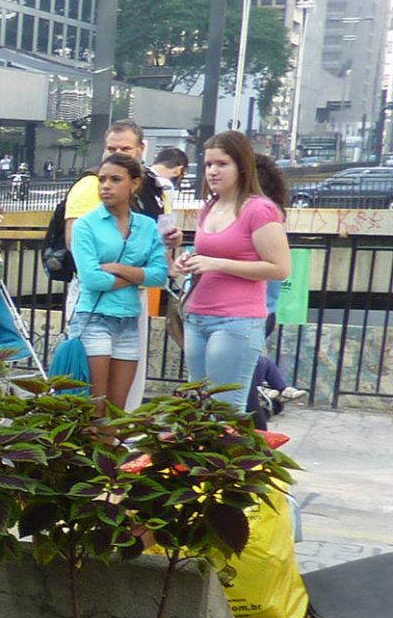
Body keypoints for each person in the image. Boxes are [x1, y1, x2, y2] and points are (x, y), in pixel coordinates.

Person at [175, 130, 292, 414]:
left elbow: (280, 268)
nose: (212, 171)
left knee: (225, 409)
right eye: (208, 164)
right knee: (199, 406)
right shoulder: (210, 207)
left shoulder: (260, 210)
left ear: (241, 166)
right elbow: (209, 254)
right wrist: (188, 260)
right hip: (197, 316)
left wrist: (216, 263)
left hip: (236, 320)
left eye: (222, 164)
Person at [70, 152, 169, 404]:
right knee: (94, 406)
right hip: (94, 318)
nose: (106, 186)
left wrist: (116, 268)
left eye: (115, 179)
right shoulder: (85, 225)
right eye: (102, 179)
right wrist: (138, 276)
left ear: (134, 183)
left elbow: (159, 276)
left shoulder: (147, 226)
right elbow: (92, 279)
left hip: (128, 320)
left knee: (117, 409)